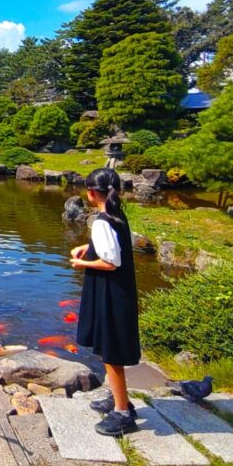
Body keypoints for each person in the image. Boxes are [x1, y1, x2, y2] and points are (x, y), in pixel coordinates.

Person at [69, 167, 141, 437]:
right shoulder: (116, 214)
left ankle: (122, 413)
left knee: (111, 353)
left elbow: (111, 261)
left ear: (91, 192)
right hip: (118, 290)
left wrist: (81, 262)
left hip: (110, 292)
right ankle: (117, 397)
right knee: (110, 348)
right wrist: (86, 248)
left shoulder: (101, 221)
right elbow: (110, 246)